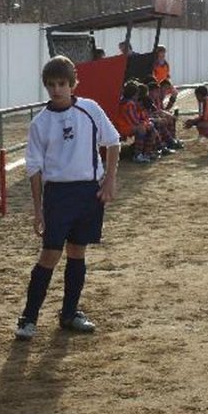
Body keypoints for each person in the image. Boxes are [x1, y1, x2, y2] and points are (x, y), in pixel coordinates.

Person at [15, 55, 120, 341]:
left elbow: (113, 143)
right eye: (51, 85)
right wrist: (38, 209)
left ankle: (70, 313)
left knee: (77, 252)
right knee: (49, 254)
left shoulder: (90, 109)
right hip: (58, 194)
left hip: (88, 192)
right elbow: (34, 169)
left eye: (62, 84)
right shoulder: (40, 123)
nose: (57, 90)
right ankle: (28, 318)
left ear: (73, 84)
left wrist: (109, 180)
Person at [118, 81, 161, 164]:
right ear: (133, 94)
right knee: (142, 129)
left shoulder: (127, 102)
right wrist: (145, 124)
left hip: (126, 125)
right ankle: (138, 155)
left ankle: (147, 153)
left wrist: (146, 123)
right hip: (123, 127)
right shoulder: (129, 104)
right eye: (137, 94)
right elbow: (134, 120)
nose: (137, 96)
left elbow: (135, 120)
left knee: (150, 128)